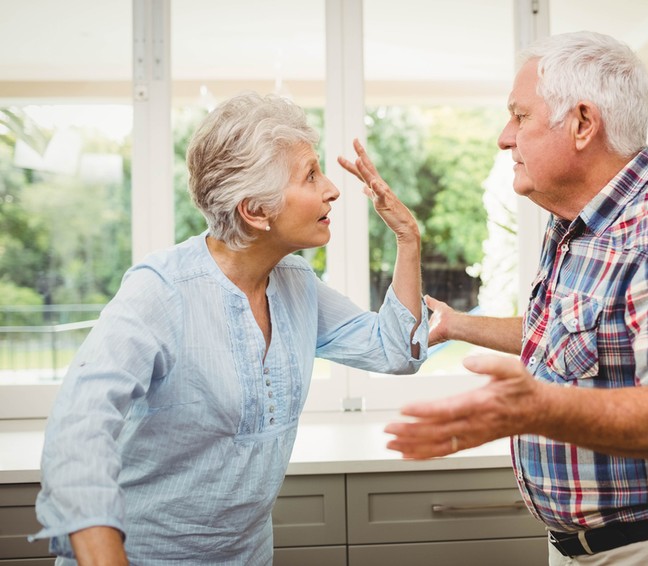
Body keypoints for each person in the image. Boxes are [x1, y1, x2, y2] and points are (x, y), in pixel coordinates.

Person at [384, 31, 648, 565]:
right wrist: (458, 323)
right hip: (583, 549)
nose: (504, 137)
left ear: (582, 124)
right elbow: (567, 335)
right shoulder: (575, 228)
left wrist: (534, 408)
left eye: (520, 116)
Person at [31, 91, 427, 565]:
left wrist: (408, 239)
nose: (332, 189)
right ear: (255, 212)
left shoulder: (296, 283)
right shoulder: (162, 290)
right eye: (310, 175)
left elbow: (396, 350)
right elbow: (79, 428)